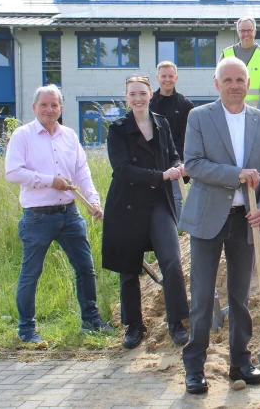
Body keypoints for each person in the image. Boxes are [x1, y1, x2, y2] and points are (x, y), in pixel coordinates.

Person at [180, 57, 260, 394]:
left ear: (248, 84)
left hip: (246, 220)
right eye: (228, 80)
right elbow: (194, 164)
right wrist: (236, 174)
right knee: (201, 298)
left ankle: (240, 361)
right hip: (207, 217)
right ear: (217, 84)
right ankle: (195, 367)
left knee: (239, 297)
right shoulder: (199, 117)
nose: (235, 86)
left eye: (240, 80)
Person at [4, 84, 113, 342]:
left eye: (54, 105)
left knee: (85, 268)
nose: (49, 109)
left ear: (61, 108)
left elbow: (82, 172)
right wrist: (50, 181)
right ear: (35, 107)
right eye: (44, 105)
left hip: (70, 214)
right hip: (37, 217)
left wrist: (94, 202)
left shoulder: (69, 136)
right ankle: (26, 330)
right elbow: (13, 173)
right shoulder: (22, 136)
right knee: (31, 273)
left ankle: (90, 320)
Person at [101, 75, 191, 350]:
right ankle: (134, 326)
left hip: (158, 202)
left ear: (151, 94)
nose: (138, 98)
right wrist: (160, 175)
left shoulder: (161, 123)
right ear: (126, 98)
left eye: (142, 93)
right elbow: (122, 169)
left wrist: (178, 165)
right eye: (133, 94)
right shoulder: (118, 129)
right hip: (126, 205)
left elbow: (172, 154)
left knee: (171, 261)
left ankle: (177, 322)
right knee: (129, 268)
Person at [150, 61, 195, 218]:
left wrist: (174, 159)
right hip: (151, 160)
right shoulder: (149, 102)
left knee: (176, 197)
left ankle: (177, 229)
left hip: (175, 160)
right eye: (164, 76)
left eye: (170, 76)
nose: (167, 80)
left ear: (176, 78)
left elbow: (188, 135)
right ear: (157, 78)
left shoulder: (185, 104)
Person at [218, 17, 260, 111]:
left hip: (257, 111)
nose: (246, 34)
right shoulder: (226, 54)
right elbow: (218, 82)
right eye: (243, 31)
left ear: (255, 32)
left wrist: (258, 112)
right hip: (232, 112)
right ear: (238, 32)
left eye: (249, 30)